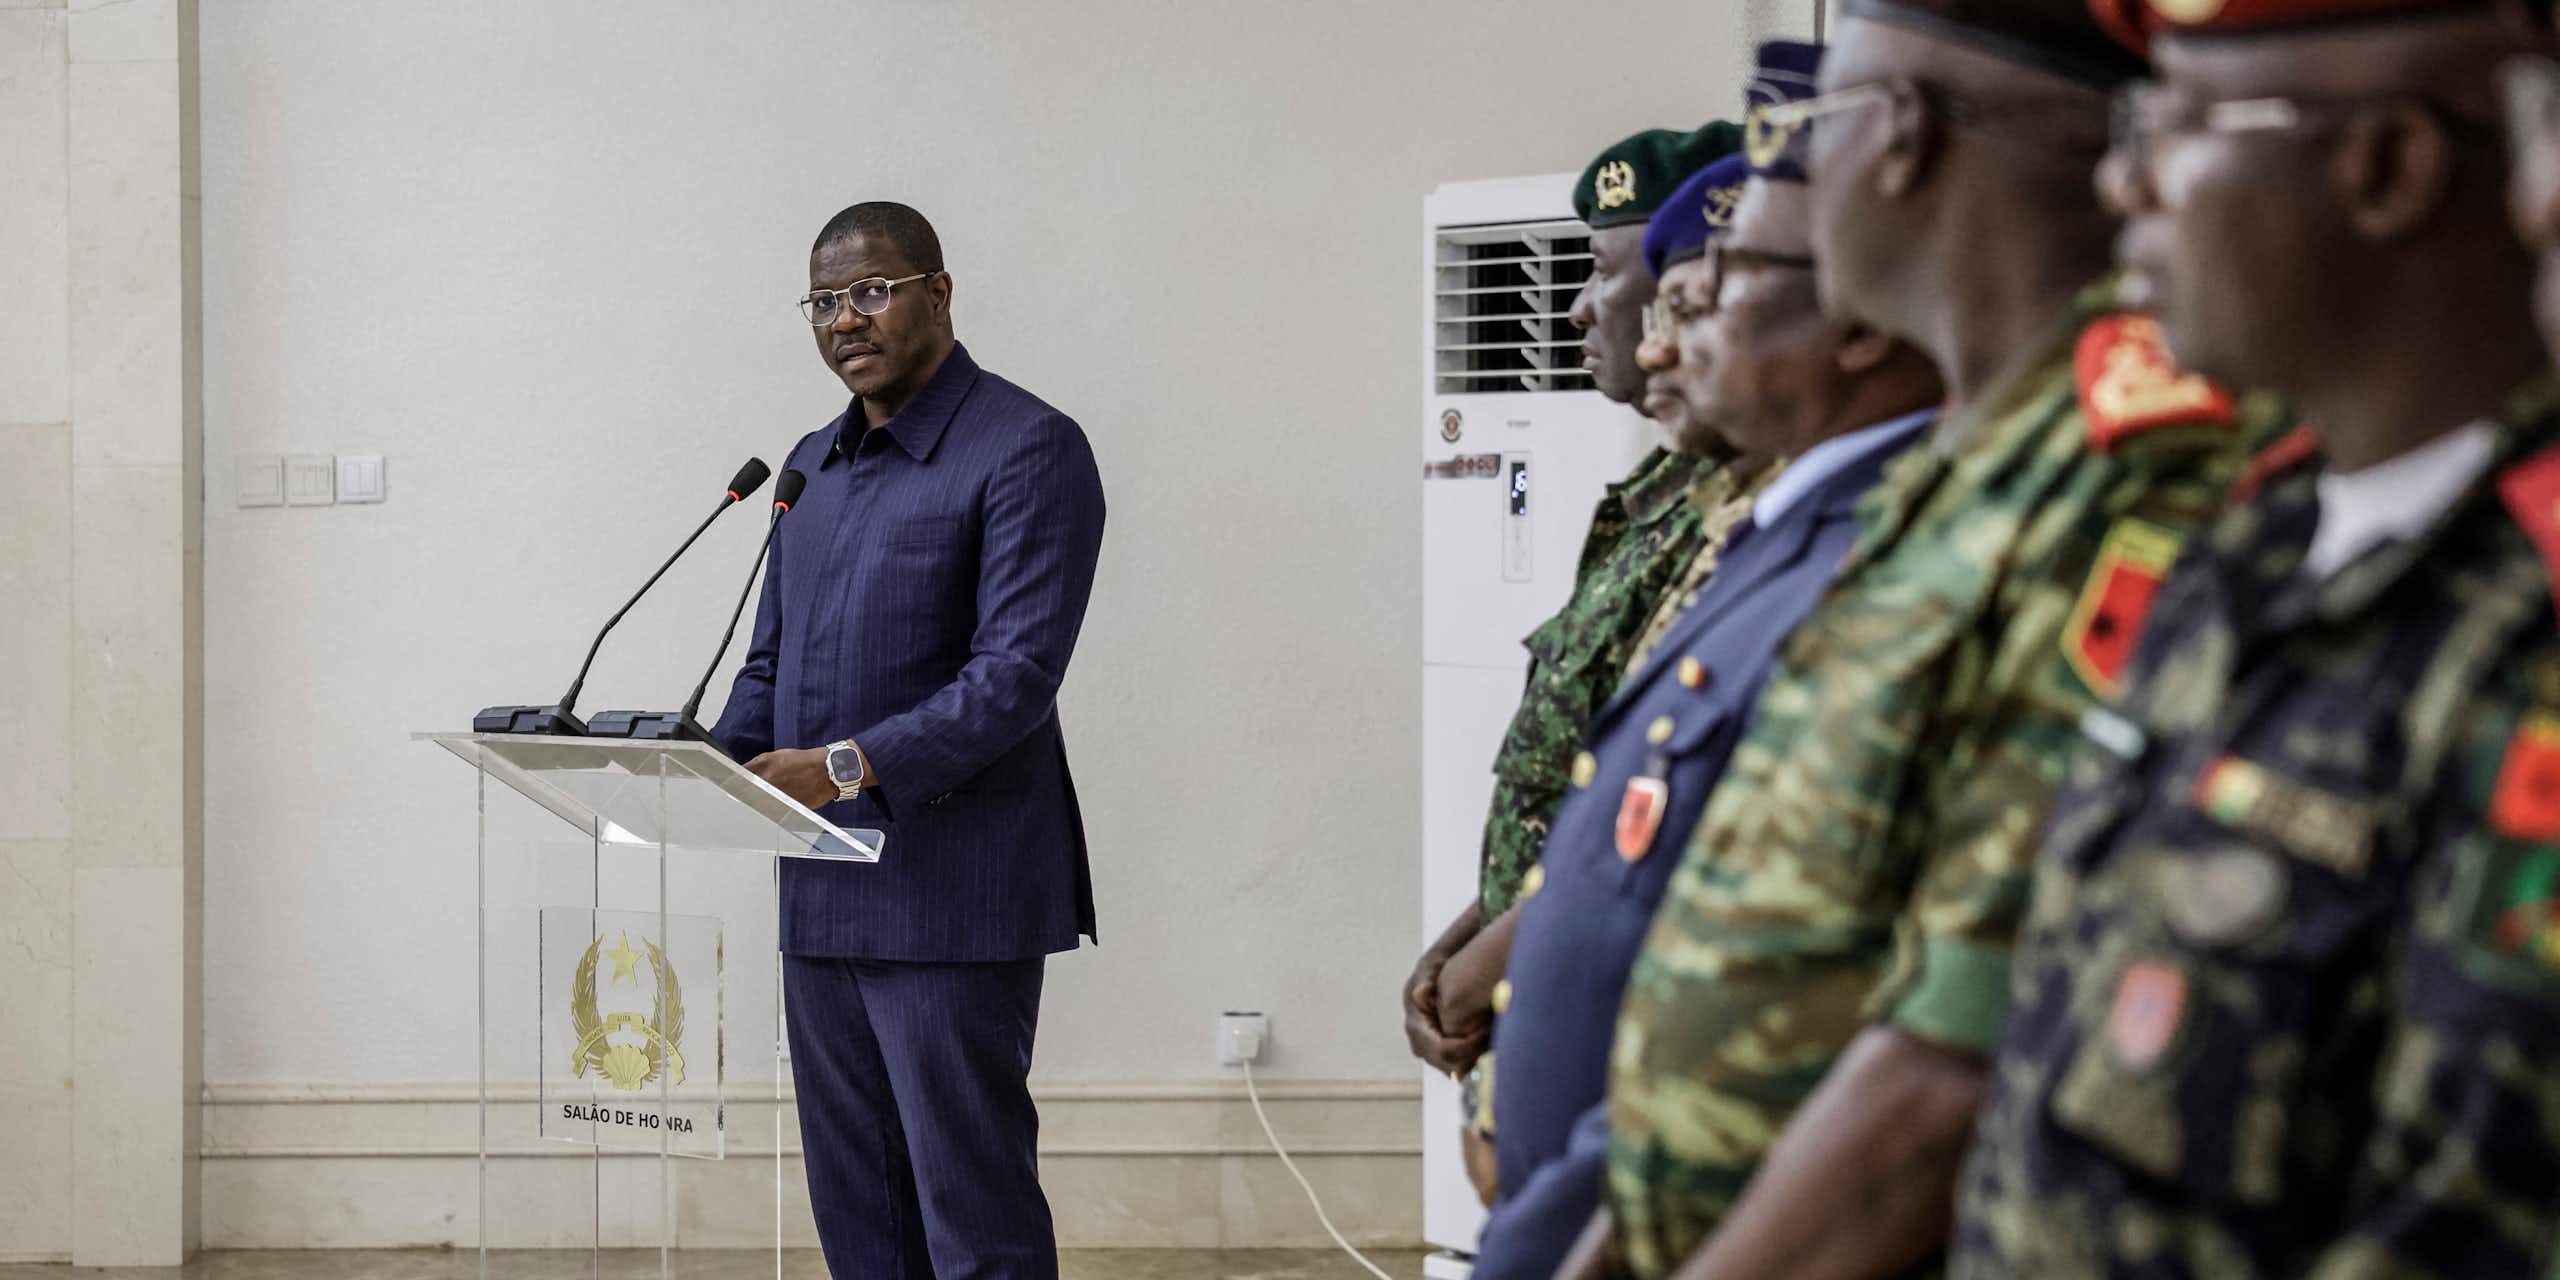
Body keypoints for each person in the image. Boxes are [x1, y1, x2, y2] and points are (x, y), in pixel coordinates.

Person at [1594, 4, 2265, 1277]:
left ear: (1893, 134)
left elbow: (1955, 1052)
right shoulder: (1945, 470)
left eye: (1813, 131)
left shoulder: (2127, 479)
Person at [1954, 2, 2560, 1274]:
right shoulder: (2253, 535)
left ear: (2387, 166)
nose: (2122, 177)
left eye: (2176, 126)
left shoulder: (2522, 624)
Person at [1472, 42, 1946, 1280]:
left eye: (1710, 293)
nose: (1668, 340)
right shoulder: (1755, 520)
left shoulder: (1886, 540)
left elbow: (1853, 1006)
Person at [714, 200, 1107, 1279]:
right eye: (825, 300)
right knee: (861, 1217)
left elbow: (1014, 677)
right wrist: (696, 764)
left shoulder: (1027, 446)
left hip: (953, 897)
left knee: (969, 1214)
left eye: (872, 289)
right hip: (823, 896)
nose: (847, 318)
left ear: (939, 291)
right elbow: (769, 666)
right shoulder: (809, 467)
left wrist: (841, 769)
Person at [1402, 122, 1745, 1204]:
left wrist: (1488, 962)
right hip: (1534, 987)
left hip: (1619, 1018)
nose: (1576, 308)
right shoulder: (1652, 507)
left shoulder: (1747, 525)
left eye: (1605, 273)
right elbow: (1576, 774)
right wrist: (1473, 927)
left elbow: (1670, 808)